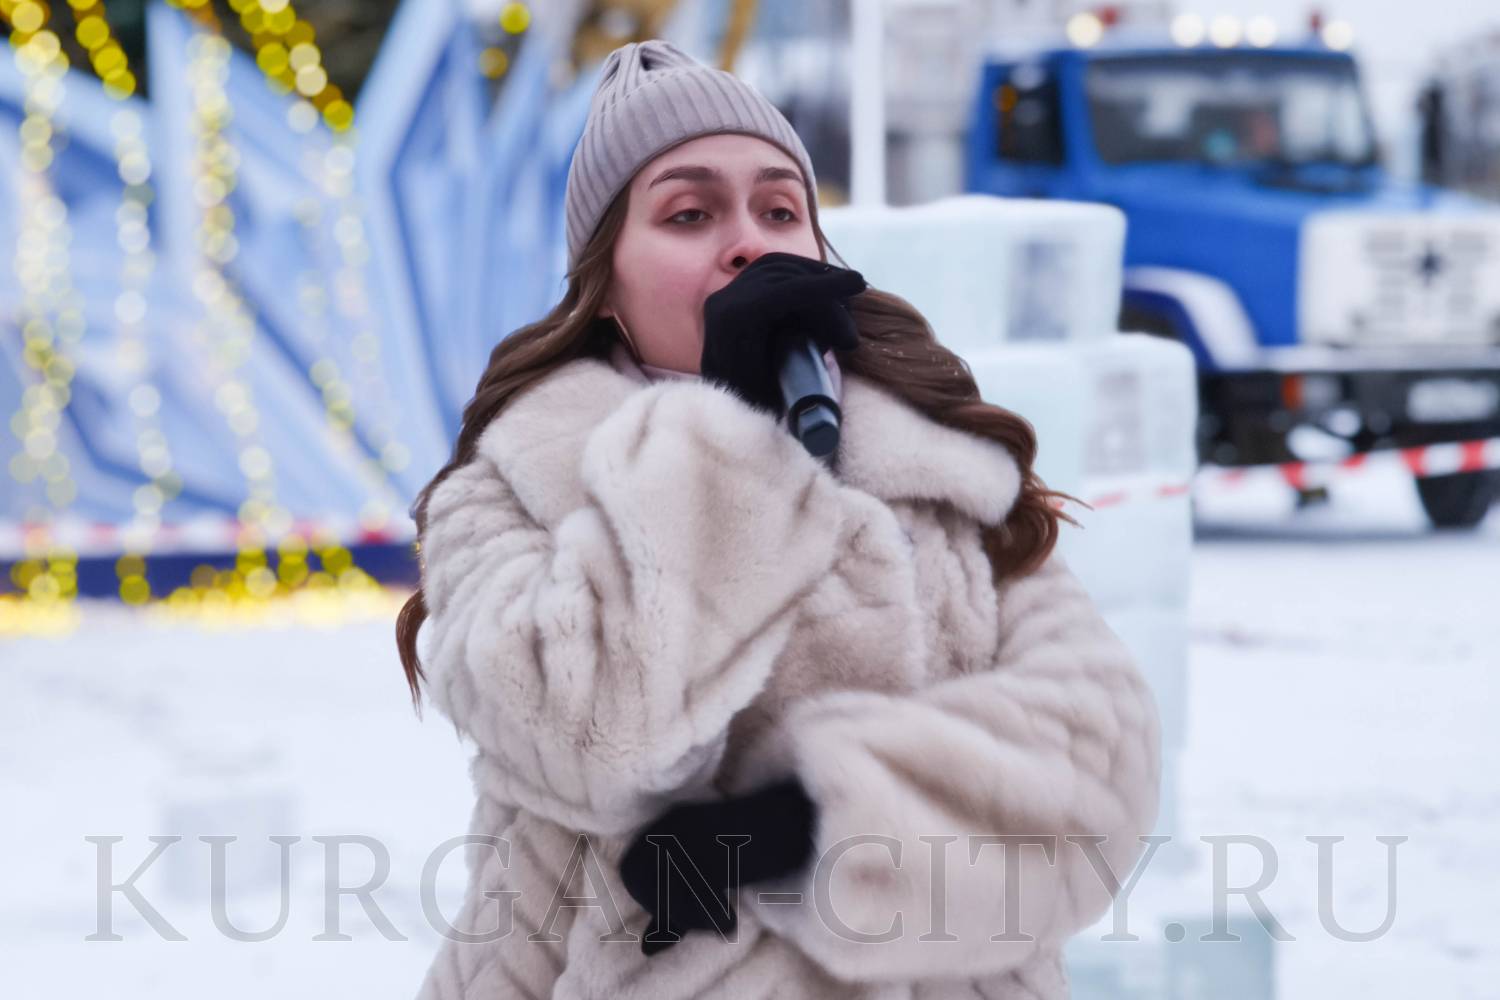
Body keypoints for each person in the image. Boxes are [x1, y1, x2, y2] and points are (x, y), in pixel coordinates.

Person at [396, 38, 1161, 1000]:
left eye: (779, 210)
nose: (747, 243)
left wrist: (806, 828)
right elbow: (584, 739)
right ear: (606, 281)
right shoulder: (510, 486)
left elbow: (1102, 760)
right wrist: (732, 444)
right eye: (689, 213)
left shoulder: (945, 471)